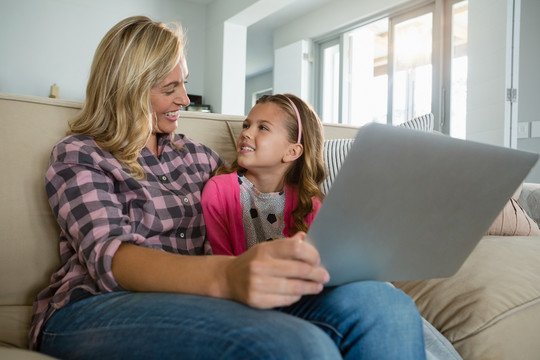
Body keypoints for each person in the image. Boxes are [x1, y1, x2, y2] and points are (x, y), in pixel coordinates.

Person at [30, 15, 427, 359]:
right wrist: (226, 276)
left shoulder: (198, 157)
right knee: (294, 346)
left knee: (383, 306)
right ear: (126, 89)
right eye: (170, 89)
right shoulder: (80, 155)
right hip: (96, 306)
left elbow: (258, 194)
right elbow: (112, 257)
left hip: (203, 302)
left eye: (183, 83)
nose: (185, 98)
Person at [202, 93, 326, 255]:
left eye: (263, 128)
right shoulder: (218, 190)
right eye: (246, 125)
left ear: (292, 151)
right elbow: (219, 261)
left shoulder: (309, 203)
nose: (246, 133)